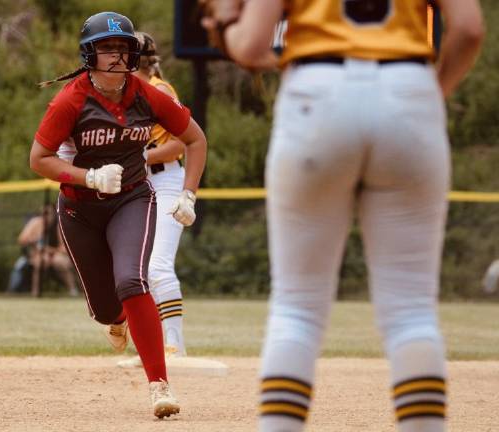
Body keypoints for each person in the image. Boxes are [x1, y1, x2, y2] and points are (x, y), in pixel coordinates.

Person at [203, 0, 484, 431]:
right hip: (409, 88)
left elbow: (253, 44)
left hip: (316, 89)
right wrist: (427, 98)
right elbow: (468, 30)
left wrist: (224, 23)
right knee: (412, 312)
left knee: (296, 308)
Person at [29, 11, 206, 418]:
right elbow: (39, 159)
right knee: (105, 310)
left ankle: (159, 385)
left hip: (132, 199)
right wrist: (87, 176)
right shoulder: (71, 99)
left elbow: (194, 139)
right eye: (106, 48)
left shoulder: (147, 93)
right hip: (79, 209)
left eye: (123, 48)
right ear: (89, 54)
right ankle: (117, 319)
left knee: (133, 279)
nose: (116, 56)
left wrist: (189, 194)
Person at [133, 31, 188, 358]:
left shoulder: (159, 89)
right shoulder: (120, 94)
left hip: (165, 181)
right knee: (135, 271)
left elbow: (181, 143)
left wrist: (139, 157)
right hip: (136, 186)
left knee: (158, 267)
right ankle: (153, 347)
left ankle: (174, 346)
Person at [16, 204, 79, 297]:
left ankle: (73, 291)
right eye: (43, 213)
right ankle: (36, 293)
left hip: (56, 255)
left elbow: (65, 249)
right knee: (40, 261)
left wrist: (50, 250)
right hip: (37, 255)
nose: (45, 216)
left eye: (48, 213)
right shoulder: (36, 223)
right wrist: (34, 239)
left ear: (54, 214)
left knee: (61, 262)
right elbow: (21, 240)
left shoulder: (59, 225)